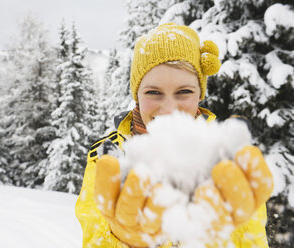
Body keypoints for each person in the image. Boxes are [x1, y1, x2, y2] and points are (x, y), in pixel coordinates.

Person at [75, 23, 273, 248]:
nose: (169, 109)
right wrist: (123, 238)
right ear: (137, 95)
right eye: (153, 92)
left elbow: (253, 241)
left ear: (199, 94)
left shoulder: (227, 160)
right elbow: (93, 236)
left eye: (184, 92)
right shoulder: (106, 156)